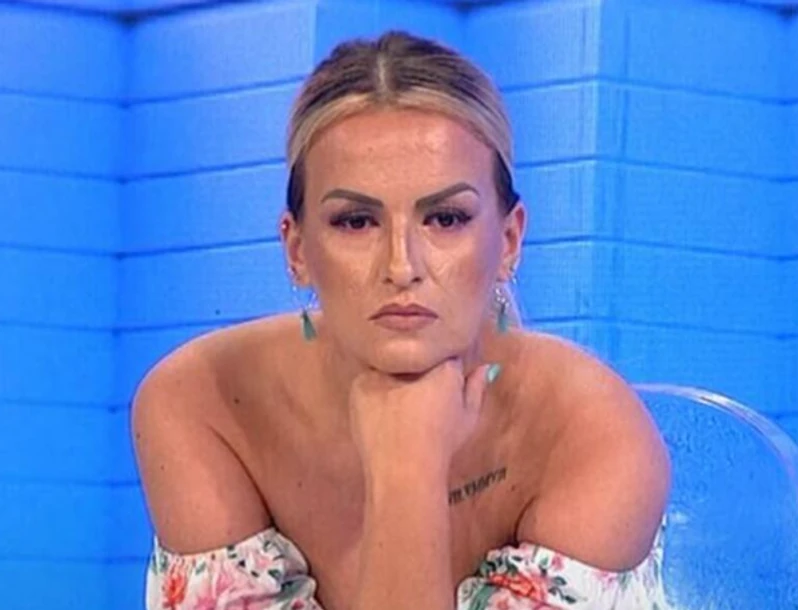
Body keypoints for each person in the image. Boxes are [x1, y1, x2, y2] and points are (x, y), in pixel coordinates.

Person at [134, 30, 671, 610]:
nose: (401, 266)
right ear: (297, 249)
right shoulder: (204, 401)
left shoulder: (593, 431)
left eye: (445, 218)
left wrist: (406, 472)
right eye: (355, 221)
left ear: (510, 239)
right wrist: (406, 465)